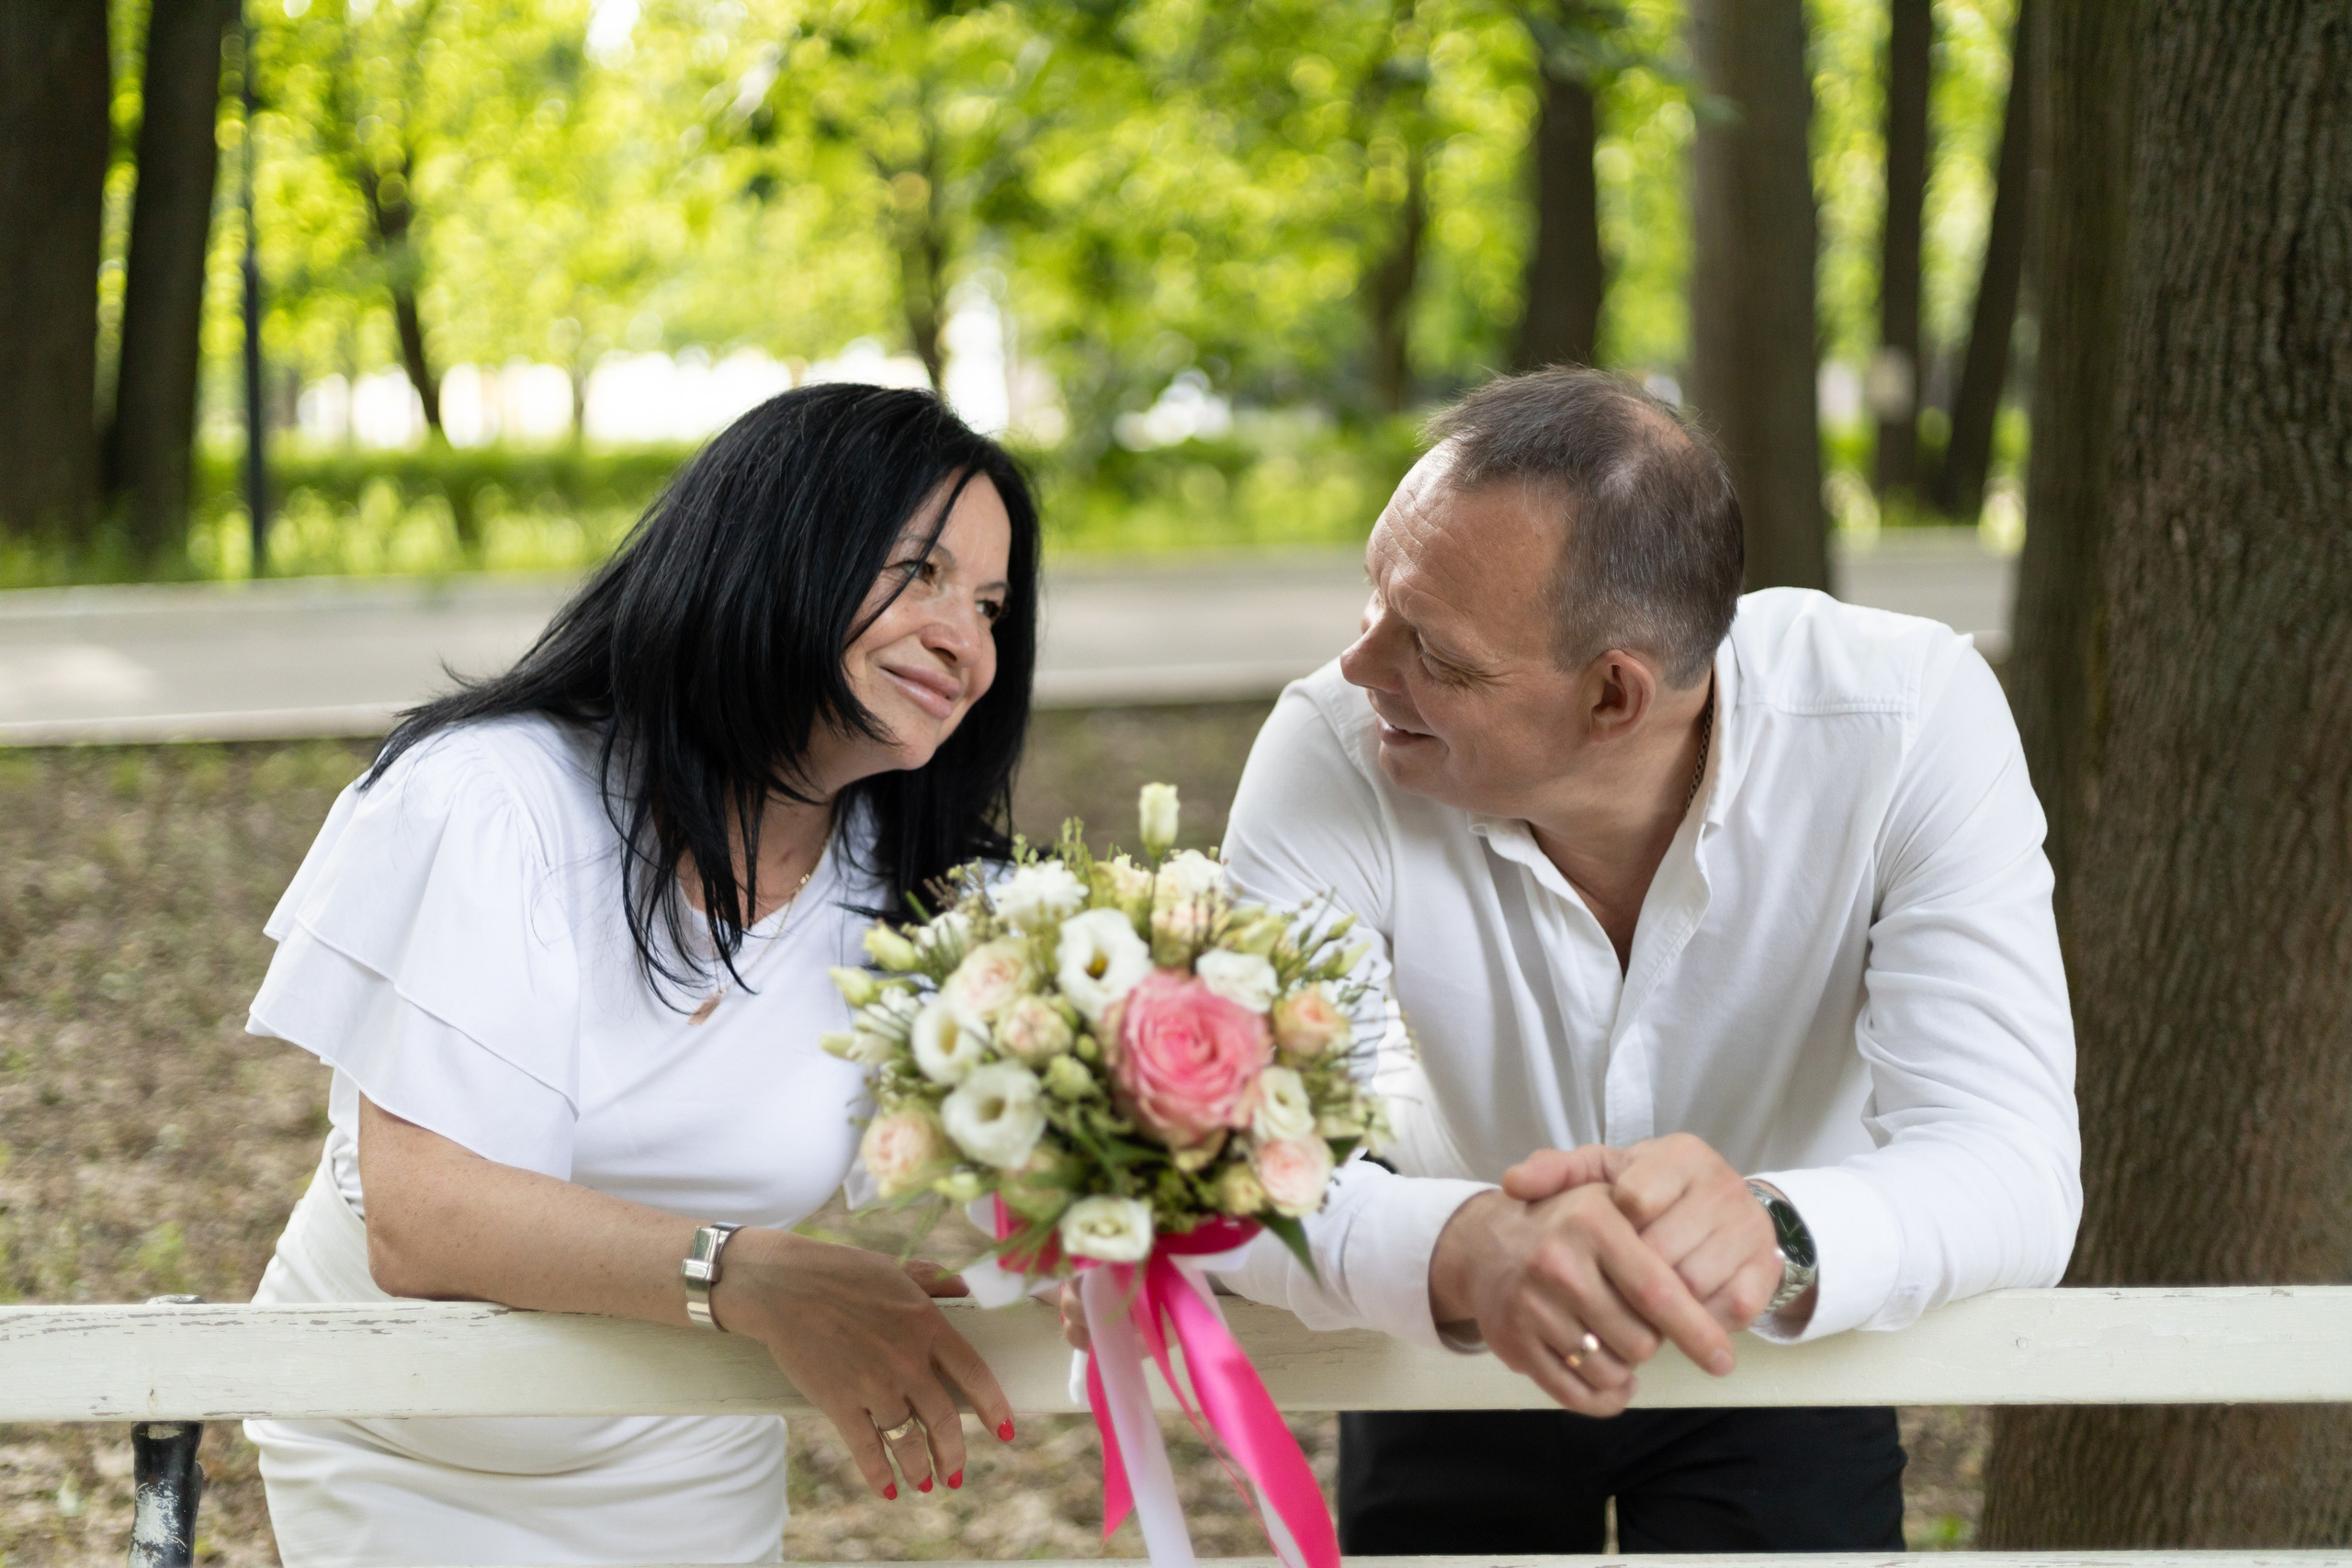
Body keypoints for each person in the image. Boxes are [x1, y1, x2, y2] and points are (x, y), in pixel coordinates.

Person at [1206, 367, 2079, 1552]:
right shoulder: (1332, 744)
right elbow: (1242, 1167)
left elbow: (2013, 1163)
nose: (1361, 668)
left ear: (1615, 695)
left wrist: (1775, 1231)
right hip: (1442, 1319)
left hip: (1773, 1340)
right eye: (1374, 599)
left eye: (1434, 651)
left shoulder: (1908, 721)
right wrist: (1469, 1249)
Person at [243, 384, 1036, 1568]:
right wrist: (761, 1277)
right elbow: (429, 1220)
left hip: (683, 1445)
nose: (963, 640)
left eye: (989, 605)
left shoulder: (921, 897)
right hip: (406, 1435)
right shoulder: (496, 797)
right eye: (918, 573)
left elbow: (1031, 1178)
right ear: (778, 548)